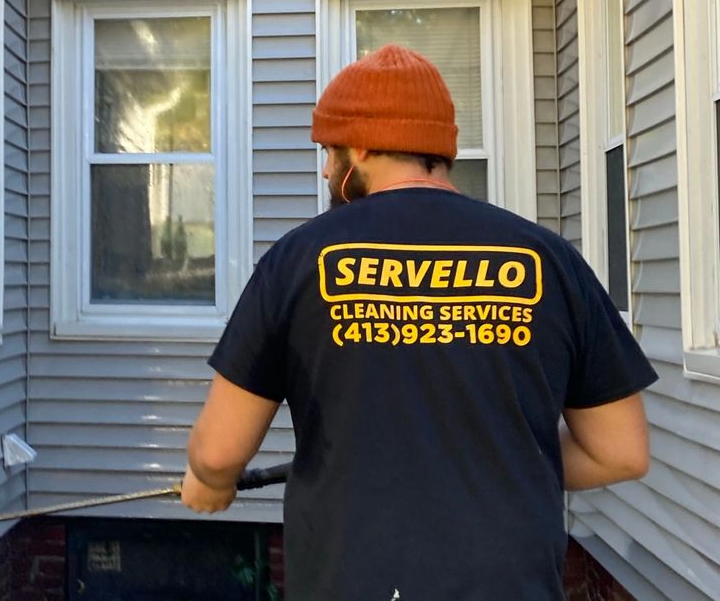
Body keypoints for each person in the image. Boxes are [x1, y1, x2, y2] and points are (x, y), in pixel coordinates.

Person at [181, 44, 656, 600]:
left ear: (360, 147)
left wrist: (210, 484)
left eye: (329, 151)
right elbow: (619, 451)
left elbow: (219, 453)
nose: (327, 169)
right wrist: (495, 461)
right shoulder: (550, 259)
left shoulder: (298, 259)